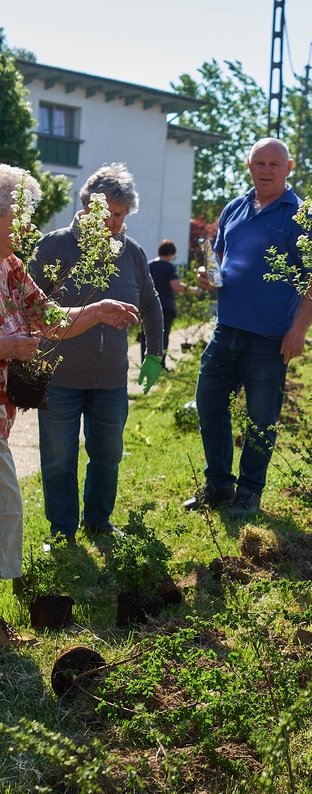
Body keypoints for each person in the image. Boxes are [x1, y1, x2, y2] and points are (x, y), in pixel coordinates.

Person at [0, 164, 138, 603]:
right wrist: (7, 346)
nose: (28, 227)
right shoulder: (35, 254)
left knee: (7, 510)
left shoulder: (11, 268)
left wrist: (97, 311)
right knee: (8, 506)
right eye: (20, 216)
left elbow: (51, 320)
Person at [29, 163, 164, 542]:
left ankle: (99, 522)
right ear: (87, 206)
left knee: (107, 455)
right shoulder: (53, 247)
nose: (113, 223)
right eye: (106, 213)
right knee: (59, 457)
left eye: (120, 215)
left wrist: (155, 354)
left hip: (110, 380)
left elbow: (151, 304)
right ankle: (62, 531)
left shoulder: (132, 253)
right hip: (58, 376)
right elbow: (26, 306)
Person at [193, 137, 312, 519]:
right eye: (259, 163)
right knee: (209, 404)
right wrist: (208, 275)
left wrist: (298, 331)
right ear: (249, 166)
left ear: (289, 168)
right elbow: (220, 258)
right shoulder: (234, 208)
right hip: (226, 330)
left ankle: (249, 492)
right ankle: (219, 483)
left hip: (270, 339)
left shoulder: (300, 216)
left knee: (261, 420)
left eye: (274, 164)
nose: (266, 170)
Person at [142, 239, 200, 369]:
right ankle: (159, 365)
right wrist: (193, 290)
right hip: (165, 306)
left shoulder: (148, 265)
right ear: (171, 254)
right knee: (163, 336)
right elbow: (176, 286)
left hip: (147, 305)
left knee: (146, 334)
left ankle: (144, 363)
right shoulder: (169, 267)